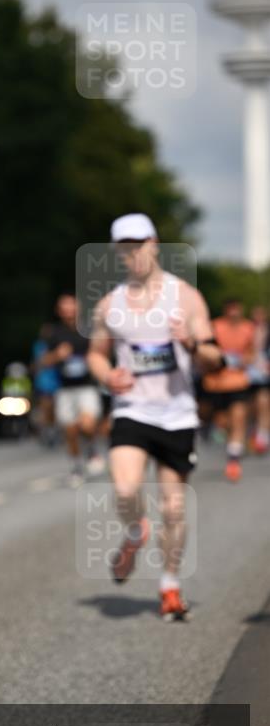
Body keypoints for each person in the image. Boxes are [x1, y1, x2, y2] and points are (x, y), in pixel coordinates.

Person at [87, 214, 223, 621]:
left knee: (174, 508)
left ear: (155, 244)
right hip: (133, 410)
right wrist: (107, 374)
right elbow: (95, 353)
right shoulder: (110, 304)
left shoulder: (185, 298)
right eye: (125, 249)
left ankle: (169, 585)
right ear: (118, 253)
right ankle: (134, 530)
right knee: (126, 489)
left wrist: (193, 343)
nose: (134, 254)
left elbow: (216, 360)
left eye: (139, 245)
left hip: (177, 414)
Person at [41, 293, 105, 483]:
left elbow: (102, 353)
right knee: (70, 431)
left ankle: (92, 449)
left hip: (87, 386)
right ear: (59, 311)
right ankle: (76, 466)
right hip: (65, 389)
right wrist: (58, 355)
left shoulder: (89, 330)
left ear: (78, 308)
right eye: (64, 307)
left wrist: (92, 359)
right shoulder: (54, 333)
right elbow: (44, 360)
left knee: (87, 424)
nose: (68, 310)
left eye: (71, 306)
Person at [201, 299, 256, 481]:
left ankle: (233, 460)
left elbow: (252, 352)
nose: (234, 313)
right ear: (226, 311)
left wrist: (246, 360)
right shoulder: (215, 326)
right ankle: (209, 428)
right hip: (215, 383)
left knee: (239, 417)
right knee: (221, 421)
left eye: (237, 310)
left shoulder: (248, 328)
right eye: (231, 310)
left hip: (239, 382)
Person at [30, 322, 61, 446]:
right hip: (44, 381)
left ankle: (54, 430)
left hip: (58, 380)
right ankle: (47, 431)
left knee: (55, 409)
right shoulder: (39, 345)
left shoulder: (57, 344)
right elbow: (39, 361)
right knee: (45, 407)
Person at [248, 305, 270, 455]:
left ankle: (263, 436)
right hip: (247, 372)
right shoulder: (247, 330)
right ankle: (252, 432)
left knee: (264, 404)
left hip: (264, 372)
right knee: (250, 406)